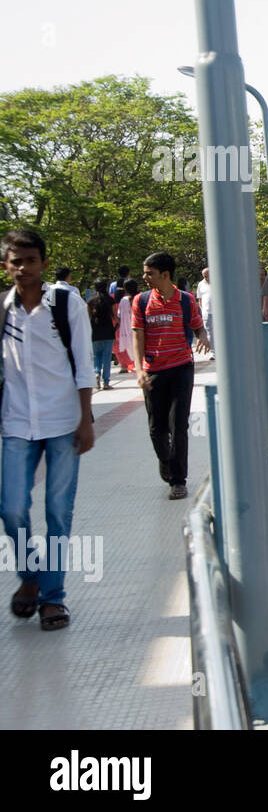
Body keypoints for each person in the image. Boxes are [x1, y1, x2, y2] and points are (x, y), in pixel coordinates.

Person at [1, 229, 96, 632]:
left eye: (30, 260)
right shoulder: (3, 309)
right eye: (14, 261)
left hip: (62, 421)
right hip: (17, 422)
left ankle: (53, 599)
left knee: (58, 512)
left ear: (42, 261)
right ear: (5, 264)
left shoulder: (65, 303)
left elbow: (84, 361)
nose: (22, 268)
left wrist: (86, 417)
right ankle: (32, 575)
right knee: (10, 507)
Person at [132, 251, 211, 500]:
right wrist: (139, 369)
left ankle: (179, 480)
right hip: (153, 371)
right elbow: (138, 336)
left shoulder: (186, 300)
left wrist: (203, 337)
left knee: (179, 425)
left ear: (165, 275)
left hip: (181, 369)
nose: (145, 277)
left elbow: (198, 326)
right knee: (157, 428)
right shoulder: (141, 301)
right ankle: (166, 461)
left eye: (149, 273)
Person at [85, 279, 117, 391]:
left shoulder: (90, 301)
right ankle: (106, 382)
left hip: (95, 332)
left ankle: (96, 374)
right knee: (107, 357)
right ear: (106, 287)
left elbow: (87, 318)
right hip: (108, 331)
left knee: (96, 356)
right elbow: (115, 318)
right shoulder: (110, 300)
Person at [113, 278, 138, 374]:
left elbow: (119, 315)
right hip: (138, 327)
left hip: (127, 329)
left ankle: (134, 364)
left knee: (131, 348)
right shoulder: (139, 297)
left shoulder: (123, 300)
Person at [195, 267, 215, 358]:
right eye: (205, 276)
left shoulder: (217, 281)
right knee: (209, 332)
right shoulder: (201, 284)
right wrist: (203, 310)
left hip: (219, 312)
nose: (207, 278)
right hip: (207, 312)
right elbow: (200, 299)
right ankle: (213, 352)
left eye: (208, 276)